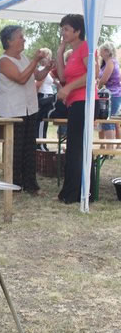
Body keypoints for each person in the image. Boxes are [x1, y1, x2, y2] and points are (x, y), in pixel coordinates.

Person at [0, 25, 51, 194]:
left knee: (29, 148)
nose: (24, 39)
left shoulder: (24, 58)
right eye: (20, 37)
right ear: (9, 41)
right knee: (16, 149)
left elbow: (37, 76)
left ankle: (30, 184)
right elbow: (21, 78)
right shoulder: (4, 61)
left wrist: (48, 68)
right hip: (13, 110)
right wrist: (35, 60)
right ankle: (14, 184)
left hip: (29, 108)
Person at [56, 14, 98, 204]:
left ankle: (75, 193)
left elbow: (92, 74)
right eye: (62, 29)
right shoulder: (73, 52)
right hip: (75, 103)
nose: (63, 32)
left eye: (66, 29)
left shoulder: (86, 47)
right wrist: (60, 52)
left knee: (76, 148)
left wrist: (68, 88)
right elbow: (63, 77)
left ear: (77, 31)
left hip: (84, 102)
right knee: (75, 147)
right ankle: (77, 191)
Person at [96, 41, 121, 147]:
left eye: (101, 50)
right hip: (108, 95)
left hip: (113, 95)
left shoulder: (111, 62)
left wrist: (96, 86)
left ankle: (109, 149)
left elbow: (104, 80)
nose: (100, 52)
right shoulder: (106, 63)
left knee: (108, 121)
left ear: (107, 51)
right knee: (105, 121)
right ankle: (106, 147)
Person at [35, 47, 55, 150]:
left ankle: (41, 144)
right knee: (42, 122)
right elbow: (37, 85)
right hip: (44, 97)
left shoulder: (44, 69)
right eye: (47, 56)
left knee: (44, 122)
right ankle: (40, 145)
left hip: (47, 96)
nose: (48, 58)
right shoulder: (42, 70)